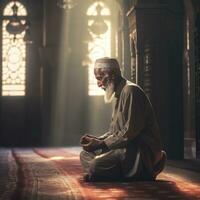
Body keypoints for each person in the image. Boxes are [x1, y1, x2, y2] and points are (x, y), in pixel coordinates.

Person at [80, 57, 166, 182]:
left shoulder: (130, 91)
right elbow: (114, 132)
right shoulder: (119, 94)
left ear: (113, 74)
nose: (98, 84)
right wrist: (97, 140)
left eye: (99, 78)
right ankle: (105, 173)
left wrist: (101, 144)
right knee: (85, 154)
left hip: (138, 150)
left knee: (95, 165)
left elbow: (129, 133)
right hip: (124, 147)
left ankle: (144, 170)